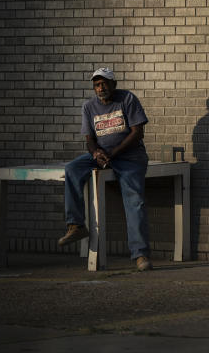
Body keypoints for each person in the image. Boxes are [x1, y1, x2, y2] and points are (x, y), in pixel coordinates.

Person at [59, 68, 152, 271]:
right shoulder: (89, 107)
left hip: (129, 157)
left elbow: (137, 133)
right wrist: (96, 154)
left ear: (113, 84)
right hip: (103, 155)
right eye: (97, 84)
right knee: (73, 169)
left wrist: (114, 153)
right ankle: (75, 225)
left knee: (134, 200)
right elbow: (89, 139)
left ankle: (140, 254)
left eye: (104, 83)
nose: (101, 88)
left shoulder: (127, 99)